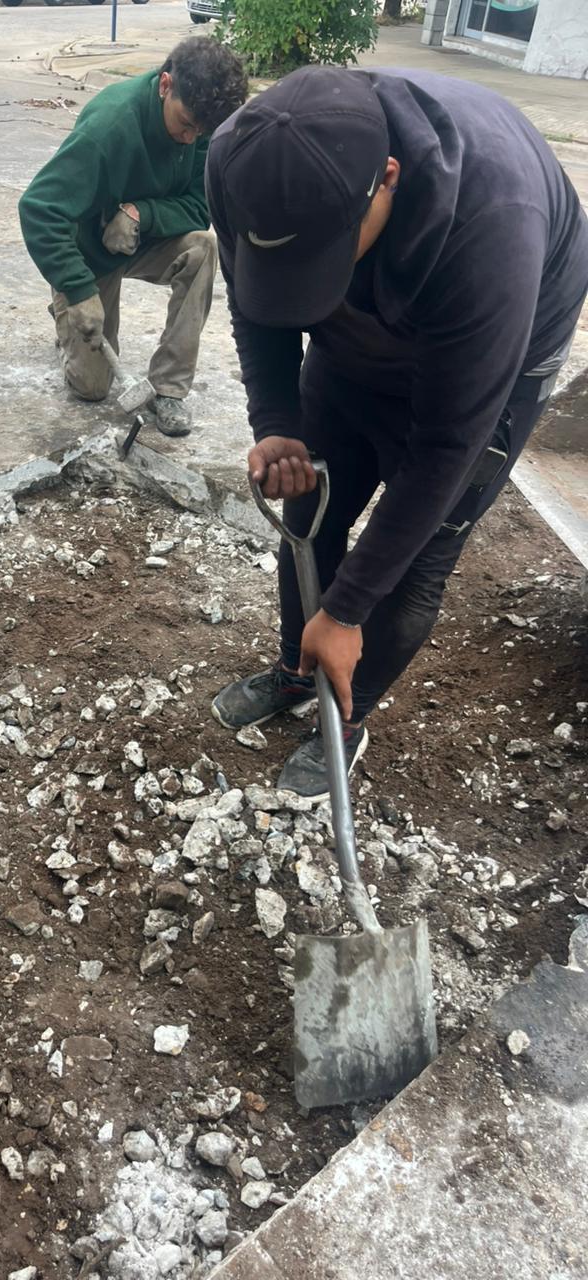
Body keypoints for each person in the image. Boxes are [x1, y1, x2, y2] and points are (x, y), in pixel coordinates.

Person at [205, 66, 588, 801]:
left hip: (491, 356)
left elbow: (446, 444)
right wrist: (277, 423)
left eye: (321, 258)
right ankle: (296, 674)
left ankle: (346, 718)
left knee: (414, 564)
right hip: (362, 333)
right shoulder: (242, 159)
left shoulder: (493, 224)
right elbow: (257, 299)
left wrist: (347, 609)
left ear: (386, 178)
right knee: (311, 510)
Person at [18, 38, 247, 438]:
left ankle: (169, 388)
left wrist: (142, 213)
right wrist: (77, 288)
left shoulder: (202, 124)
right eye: (186, 123)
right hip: (90, 252)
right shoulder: (109, 126)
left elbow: (200, 206)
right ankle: (66, 309)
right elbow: (39, 208)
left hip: (144, 239)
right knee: (92, 388)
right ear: (165, 85)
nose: (191, 138)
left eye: (201, 130)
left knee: (203, 248)